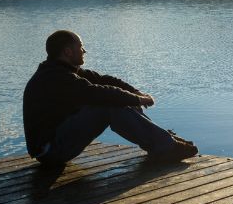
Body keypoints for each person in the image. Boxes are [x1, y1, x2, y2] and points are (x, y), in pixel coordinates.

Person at [23, 30, 198, 165]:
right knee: (108, 104)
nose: (84, 51)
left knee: (119, 99)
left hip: (57, 143)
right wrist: (138, 100)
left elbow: (104, 80)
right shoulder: (54, 77)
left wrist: (136, 93)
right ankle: (165, 146)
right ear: (68, 52)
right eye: (81, 47)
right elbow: (98, 93)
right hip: (49, 151)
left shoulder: (62, 70)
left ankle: (164, 143)